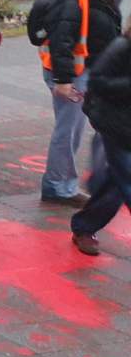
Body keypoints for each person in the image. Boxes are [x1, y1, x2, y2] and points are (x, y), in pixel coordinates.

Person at [39, 0, 120, 206]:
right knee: (69, 131)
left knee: (81, 129)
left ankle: (64, 183)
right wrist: (63, 81)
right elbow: (62, 41)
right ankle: (58, 186)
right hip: (72, 75)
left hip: (87, 72)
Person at [73, 13, 131, 254]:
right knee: (126, 181)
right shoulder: (121, 48)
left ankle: (85, 226)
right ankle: (84, 227)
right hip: (116, 126)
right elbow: (96, 81)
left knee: (114, 185)